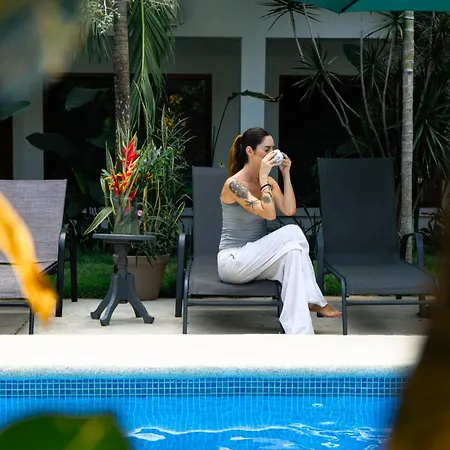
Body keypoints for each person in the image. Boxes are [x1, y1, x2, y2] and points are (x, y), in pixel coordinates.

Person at [217, 127, 341, 335]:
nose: (272, 153)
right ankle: (315, 300)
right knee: (292, 232)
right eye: (267, 150)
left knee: (294, 253)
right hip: (233, 261)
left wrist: (285, 173)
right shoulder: (234, 185)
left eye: (273, 149)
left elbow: (289, 210)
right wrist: (264, 178)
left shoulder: (268, 183)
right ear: (250, 151)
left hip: (257, 260)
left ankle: (299, 332)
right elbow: (270, 214)